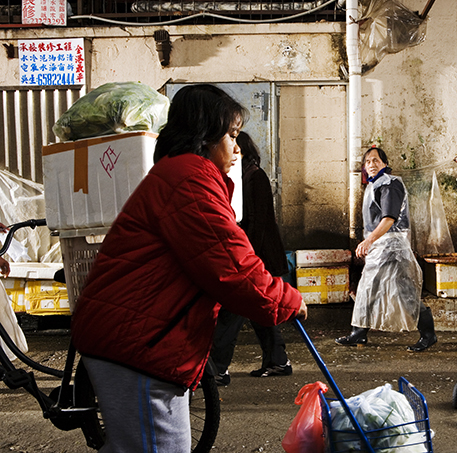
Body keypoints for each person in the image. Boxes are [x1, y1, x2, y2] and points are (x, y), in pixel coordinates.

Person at [71, 84, 306, 453]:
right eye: (231, 135)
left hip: (139, 338)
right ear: (205, 135)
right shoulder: (190, 180)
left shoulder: (182, 174)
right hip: (139, 343)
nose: (237, 147)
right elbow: (233, 268)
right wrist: (288, 300)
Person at [335, 147, 437, 352]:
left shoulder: (390, 184)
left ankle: (428, 334)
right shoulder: (374, 185)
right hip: (380, 246)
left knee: (405, 291)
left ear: (385, 163)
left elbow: (389, 218)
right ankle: (359, 333)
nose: (371, 164)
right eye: (367, 162)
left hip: (392, 247)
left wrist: (368, 240)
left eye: (376, 160)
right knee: (368, 288)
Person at [211, 132, 293, 385]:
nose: (232, 152)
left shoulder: (255, 177)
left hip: (258, 256)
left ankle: (218, 368)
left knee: (232, 312)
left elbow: (257, 222)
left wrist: (247, 257)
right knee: (260, 313)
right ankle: (277, 360)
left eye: (236, 147)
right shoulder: (238, 177)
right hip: (253, 255)